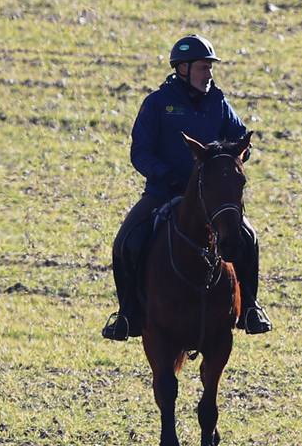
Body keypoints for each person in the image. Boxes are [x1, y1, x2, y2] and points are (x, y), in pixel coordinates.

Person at [101, 34, 272, 341]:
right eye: (203, 67)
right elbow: (140, 152)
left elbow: (241, 140)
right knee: (126, 241)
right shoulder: (157, 104)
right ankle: (126, 313)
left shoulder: (219, 102)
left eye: (210, 67)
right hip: (163, 193)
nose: (209, 74)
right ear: (183, 68)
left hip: (211, 197)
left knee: (248, 237)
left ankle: (250, 307)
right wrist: (166, 176)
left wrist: (231, 159)